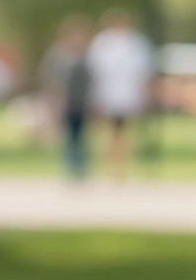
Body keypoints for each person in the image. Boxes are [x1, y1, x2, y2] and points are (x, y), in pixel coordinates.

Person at [87, 11, 155, 179]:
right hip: (107, 94)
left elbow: (143, 71)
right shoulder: (103, 42)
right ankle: (108, 167)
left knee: (122, 132)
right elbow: (95, 70)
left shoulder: (136, 43)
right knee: (107, 131)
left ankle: (120, 169)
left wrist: (144, 93)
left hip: (127, 95)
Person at [40, 17, 93, 179]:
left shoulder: (87, 54)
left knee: (82, 134)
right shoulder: (58, 54)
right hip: (64, 99)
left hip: (82, 100)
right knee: (68, 134)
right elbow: (50, 76)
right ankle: (70, 168)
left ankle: (81, 168)